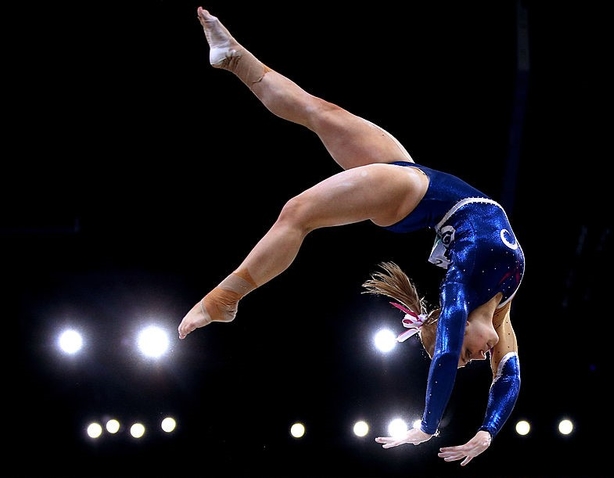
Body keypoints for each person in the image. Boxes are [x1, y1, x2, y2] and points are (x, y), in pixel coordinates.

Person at [178, 6, 525, 466]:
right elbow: (509, 379)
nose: (469, 362)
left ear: (446, 326)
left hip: (410, 196)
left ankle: (228, 295)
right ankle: (234, 57)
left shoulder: (460, 288)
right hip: (417, 182)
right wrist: (486, 433)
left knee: (298, 212)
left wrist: (426, 425)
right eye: (466, 357)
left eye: (462, 357)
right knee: (320, 112)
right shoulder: (502, 306)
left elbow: (443, 356)